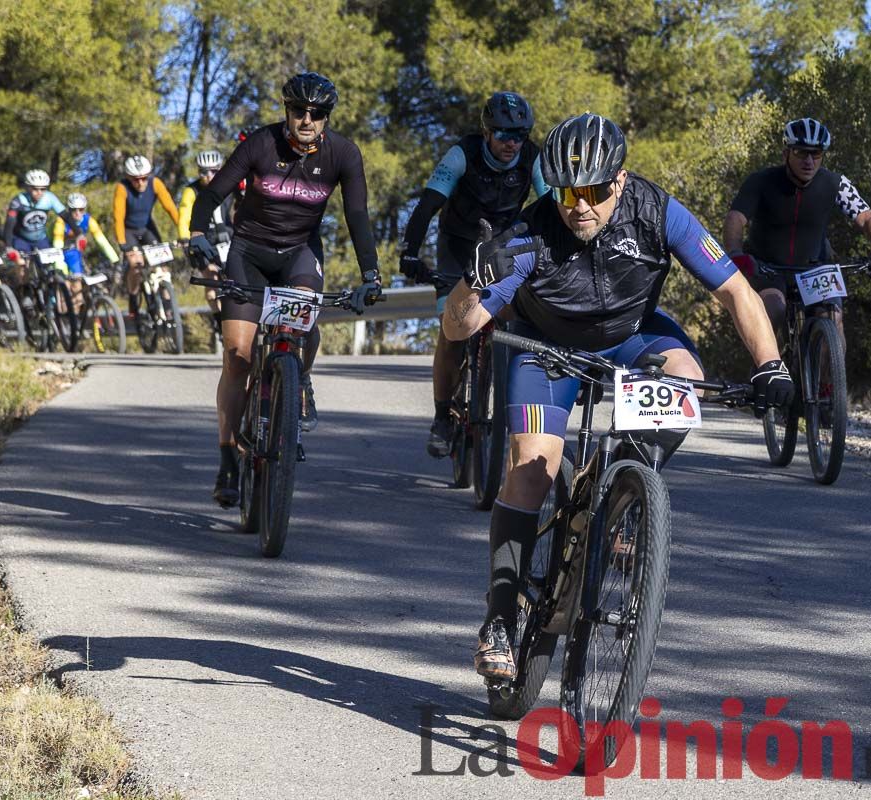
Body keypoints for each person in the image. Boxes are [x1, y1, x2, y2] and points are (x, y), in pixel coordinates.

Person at [440, 113, 793, 680]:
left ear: (621, 181)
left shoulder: (658, 211)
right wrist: (470, 281)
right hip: (545, 347)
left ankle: (627, 489)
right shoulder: (527, 236)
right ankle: (500, 621)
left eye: (596, 191)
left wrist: (770, 365)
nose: (580, 205)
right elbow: (459, 327)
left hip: (632, 334)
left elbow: (734, 289)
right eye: (567, 192)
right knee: (531, 469)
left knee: (683, 367)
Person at [186, 71, 382, 507]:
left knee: (304, 322)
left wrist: (371, 273)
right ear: (287, 112)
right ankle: (226, 457)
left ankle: (299, 381)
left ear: (327, 117)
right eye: (299, 112)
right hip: (249, 253)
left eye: (317, 113)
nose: (307, 120)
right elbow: (211, 195)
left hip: (298, 253)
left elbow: (358, 216)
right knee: (238, 355)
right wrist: (197, 233)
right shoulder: (260, 144)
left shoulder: (344, 154)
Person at [397, 92, 548, 457]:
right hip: (458, 245)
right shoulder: (461, 154)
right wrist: (410, 252)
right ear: (486, 131)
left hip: (506, 244)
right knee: (451, 332)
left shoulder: (533, 157)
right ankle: (441, 418)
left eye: (520, 134)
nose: (513, 143)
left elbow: (550, 208)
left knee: (518, 322)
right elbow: (428, 205)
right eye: (504, 134)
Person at [722, 118, 871, 337]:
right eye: (801, 153)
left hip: (814, 268)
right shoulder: (761, 181)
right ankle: (764, 368)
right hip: (767, 268)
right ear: (786, 154)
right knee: (774, 308)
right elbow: (735, 219)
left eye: (816, 154)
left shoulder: (835, 183)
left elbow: (867, 217)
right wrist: (736, 253)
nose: (809, 161)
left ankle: (828, 369)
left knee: (833, 318)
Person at [113, 155, 180, 316]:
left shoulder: (155, 183)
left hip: (147, 228)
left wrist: (185, 231)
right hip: (129, 230)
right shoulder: (122, 188)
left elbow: (170, 208)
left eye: (144, 178)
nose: (141, 183)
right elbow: (118, 217)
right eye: (136, 179)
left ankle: (167, 306)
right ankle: (133, 296)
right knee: (136, 264)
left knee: (162, 264)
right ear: (129, 177)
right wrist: (123, 243)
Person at [179, 150, 233, 326]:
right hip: (203, 239)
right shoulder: (191, 190)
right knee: (212, 280)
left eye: (214, 171)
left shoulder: (229, 186)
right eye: (204, 172)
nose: (209, 176)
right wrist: (184, 238)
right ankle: (219, 321)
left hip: (227, 237)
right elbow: (184, 214)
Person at [53, 193, 120, 313]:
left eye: (81, 209)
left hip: (73, 253)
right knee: (65, 285)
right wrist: (59, 266)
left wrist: (115, 260)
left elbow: (102, 241)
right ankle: (60, 311)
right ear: (68, 210)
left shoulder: (89, 220)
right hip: (58, 252)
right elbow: (57, 243)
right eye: (73, 210)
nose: (77, 213)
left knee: (77, 283)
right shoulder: (61, 221)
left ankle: (76, 317)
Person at [3, 169, 83, 256]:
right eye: (35, 189)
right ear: (27, 187)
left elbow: (65, 216)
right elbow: (9, 223)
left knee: (48, 265)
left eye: (43, 189)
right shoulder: (18, 201)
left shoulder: (49, 198)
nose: (39, 192)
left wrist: (79, 234)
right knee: (22, 263)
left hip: (41, 239)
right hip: (21, 239)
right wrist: (8, 246)